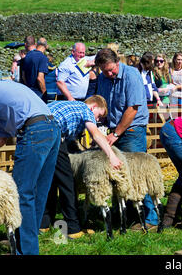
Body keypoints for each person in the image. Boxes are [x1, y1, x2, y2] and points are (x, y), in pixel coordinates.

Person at [40, 95, 123, 238]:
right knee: (67, 182)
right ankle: (73, 229)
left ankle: (43, 224)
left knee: (49, 180)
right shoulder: (85, 110)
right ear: (93, 107)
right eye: (99, 116)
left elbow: (69, 137)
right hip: (51, 133)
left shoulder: (66, 105)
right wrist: (112, 156)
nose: (97, 120)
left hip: (36, 132)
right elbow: (95, 134)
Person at [95, 48, 158, 229]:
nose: (108, 73)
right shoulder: (103, 78)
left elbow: (133, 108)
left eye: (111, 70)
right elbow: (102, 103)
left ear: (117, 62)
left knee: (137, 172)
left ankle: (150, 218)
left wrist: (115, 134)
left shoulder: (131, 75)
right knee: (117, 174)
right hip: (114, 129)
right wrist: (100, 131)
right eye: (104, 71)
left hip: (131, 130)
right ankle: (126, 215)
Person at [0, 80, 61, 255]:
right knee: (38, 193)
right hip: (52, 128)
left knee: (22, 193)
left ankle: (26, 251)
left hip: (34, 130)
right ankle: (28, 243)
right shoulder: (7, 88)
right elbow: (1, 139)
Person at [20, 36, 49, 101]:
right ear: (46, 46)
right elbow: (40, 78)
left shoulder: (26, 57)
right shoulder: (43, 58)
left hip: (28, 92)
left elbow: (23, 76)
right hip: (38, 94)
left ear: (37, 44)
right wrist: (45, 93)